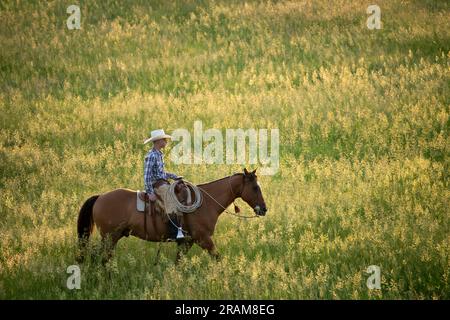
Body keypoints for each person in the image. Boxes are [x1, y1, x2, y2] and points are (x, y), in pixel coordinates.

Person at [143, 129, 182, 203]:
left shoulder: (159, 154)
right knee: (171, 198)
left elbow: (160, 173)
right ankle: (171, 214)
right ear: (158, 141)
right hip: (156, 185)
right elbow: (147, 176)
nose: (166, 141)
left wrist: (174, 177)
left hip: (161, 183)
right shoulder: (152, 156)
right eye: (164, 139)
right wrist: (150, 193)